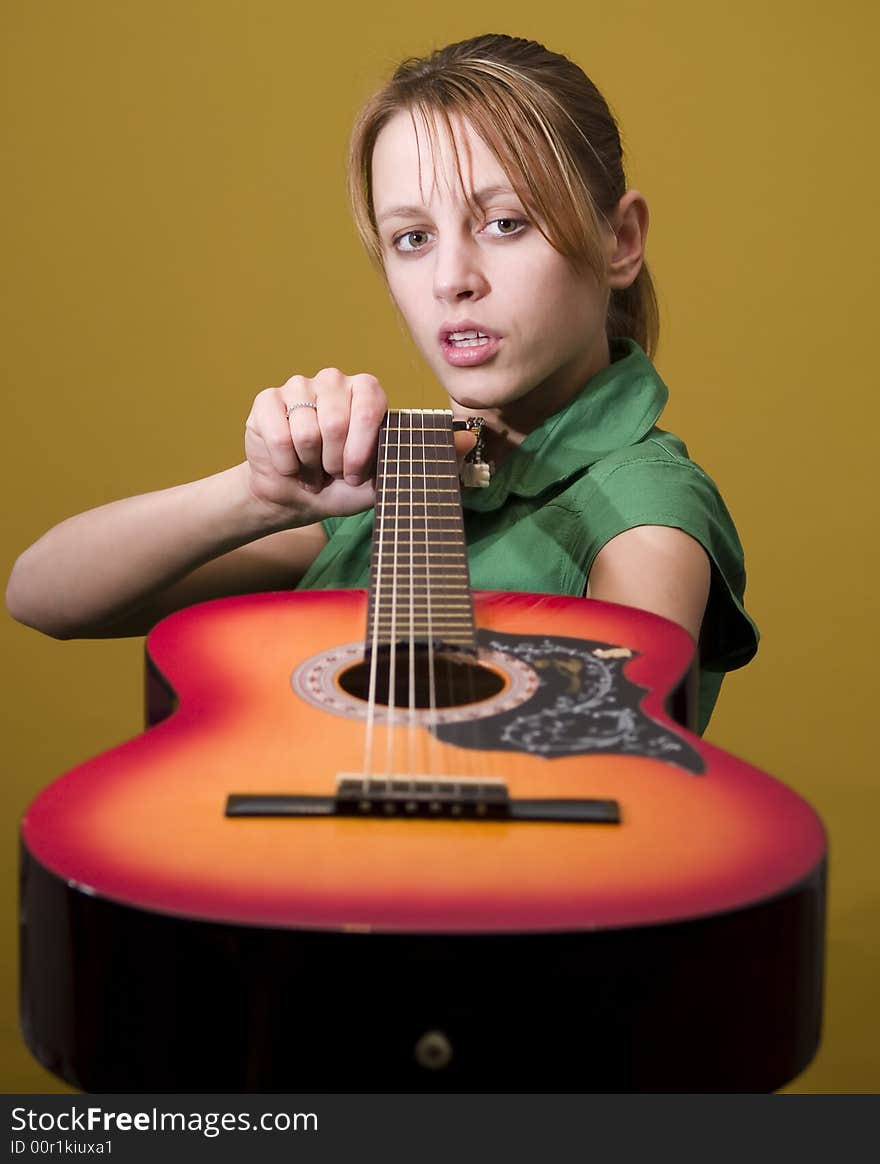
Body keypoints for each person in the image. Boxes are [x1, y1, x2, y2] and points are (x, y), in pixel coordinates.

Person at [5, 33, 758, 735]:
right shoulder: (409, 473)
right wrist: (258, 496)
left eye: (506, 223)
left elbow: (605, 756)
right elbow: (42, 596)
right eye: (413, 238)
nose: (451, 281)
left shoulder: (646, 512)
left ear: (620, 241)